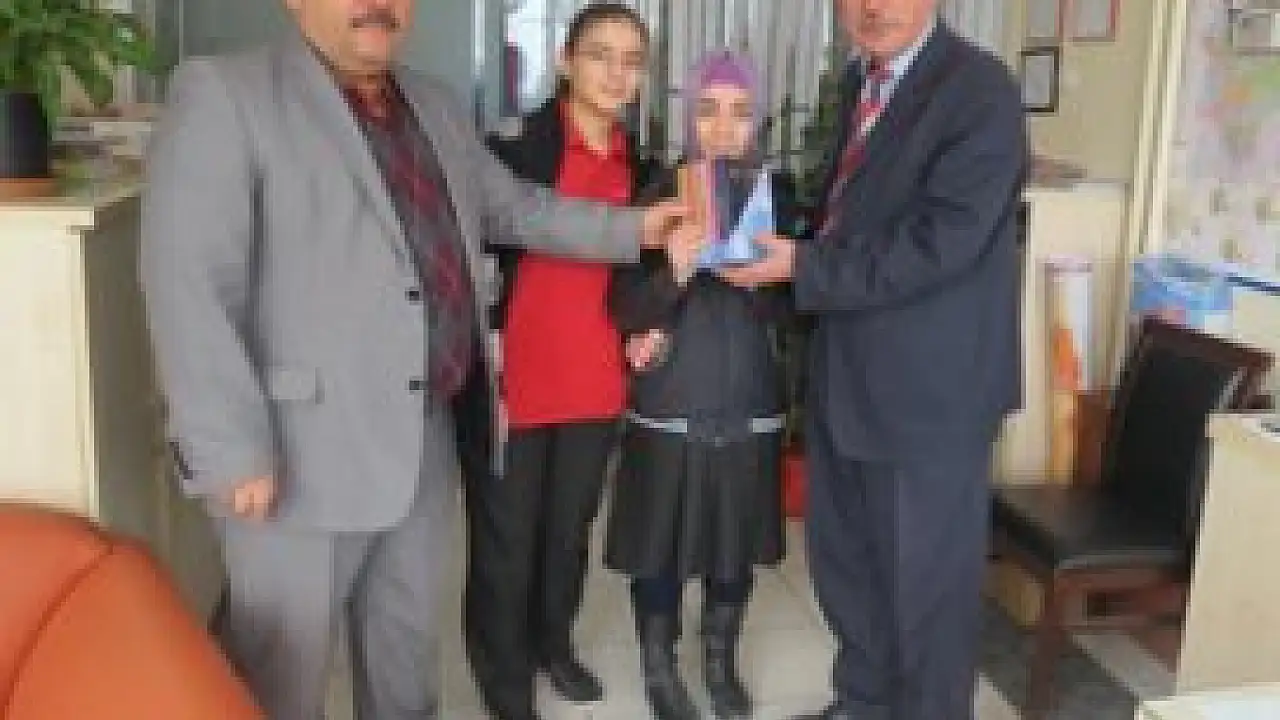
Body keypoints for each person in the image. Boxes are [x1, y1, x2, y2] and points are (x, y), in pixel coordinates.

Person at [138, 0, 694, 717]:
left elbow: (515, 208)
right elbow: (187, 280)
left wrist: (638, 227)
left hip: (423, 434)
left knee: (404, 659)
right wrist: (228, 447)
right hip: (297, 451)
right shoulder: (226, 93)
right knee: (282, 676)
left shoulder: (433, 103)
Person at [722, 1, 1027, 718]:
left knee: (926, 597)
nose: (873, 6)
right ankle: (862, 705)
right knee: (849, 572)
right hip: (847, 378)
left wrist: (803, 267)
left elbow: (941, 242)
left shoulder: (979, 90)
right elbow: (847, 220)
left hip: (930, 399)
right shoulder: (861, 83)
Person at [463, 5, 657, 719]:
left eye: (631, 60)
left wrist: (653, 323)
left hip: (595, 379)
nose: (615, 72)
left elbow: (651, 275)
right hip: (515, 378)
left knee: (568, 534)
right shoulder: (511, 149)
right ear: (565, 62)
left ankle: (554, 643)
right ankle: (503, 674)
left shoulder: (645, 168)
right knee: (506, 541)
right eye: (600, 54)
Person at [606, 50, 793, 720]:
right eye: (708, 110)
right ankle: (659, 670)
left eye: (740, 113)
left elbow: (800, 311)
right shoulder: (658, 194)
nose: (722, 128)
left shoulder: (778, 197)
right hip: (671, 406)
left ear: (757, 120)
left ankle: (719, 661)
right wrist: (674, 274)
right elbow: (623, 307)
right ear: (689, 116)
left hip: (748, 403)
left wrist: (767, 279)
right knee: (659, 548)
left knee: (731, 549)